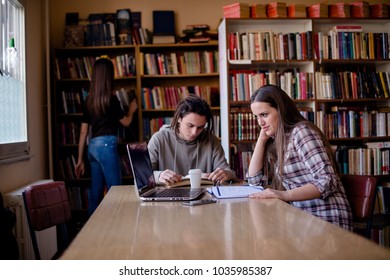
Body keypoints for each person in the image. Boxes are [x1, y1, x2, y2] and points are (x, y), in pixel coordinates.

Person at [247, 84, 352, 231]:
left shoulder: (302, 132)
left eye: (264, 115)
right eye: (256, 117)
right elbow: (254, 181)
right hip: (302, 218)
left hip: (326, 217)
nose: (260, 123)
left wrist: (284, 195)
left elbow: (327, 181)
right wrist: (262, 138)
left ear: (281, 110)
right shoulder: (279, 139)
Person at [75, 58, 138, 216]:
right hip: (106, 146)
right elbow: (126, 122)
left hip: (92, 148)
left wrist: (80, 160)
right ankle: (118, 228)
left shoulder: (89, 100)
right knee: (115, 192)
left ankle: (92, 233)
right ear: (109, 76)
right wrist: (131, 110)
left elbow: (83, 132)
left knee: (95, 196)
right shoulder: (112, 99)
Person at [148, 94, 236, 185]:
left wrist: (226, 174)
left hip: (204, 196)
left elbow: (228, 172)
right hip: (167, 196)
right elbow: (144, 175)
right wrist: (159, 175)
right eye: (190, 125)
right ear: (179, 118)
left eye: (200, 127)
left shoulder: (211, 140)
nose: (194, 132)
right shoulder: (158, 139)